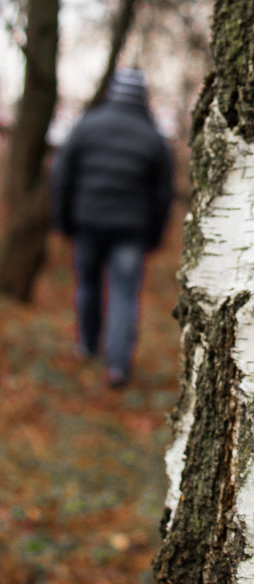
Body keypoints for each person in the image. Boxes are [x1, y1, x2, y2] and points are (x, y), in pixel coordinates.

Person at [51, 67, 174, 388]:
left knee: (88, 285)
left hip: (87, 223)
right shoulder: (153, 137)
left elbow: (62, 175)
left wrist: (63, 221)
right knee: (124, 293)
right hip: (131, 231)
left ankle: (87, 346)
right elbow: (163, 195)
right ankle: (118, 365)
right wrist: (155, 235)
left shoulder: (87, 125)